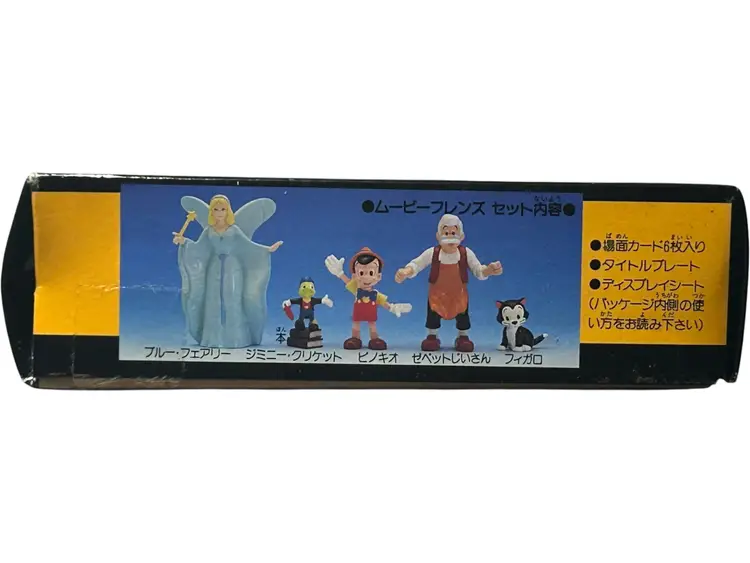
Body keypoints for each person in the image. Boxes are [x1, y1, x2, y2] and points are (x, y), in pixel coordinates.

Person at [173, 194, 283, 348]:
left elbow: (248, 245)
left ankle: (236, 338)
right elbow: (199, 248)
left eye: (222, 209)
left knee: (232, 299)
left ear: (228, 211)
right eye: (216, 209)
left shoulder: (234, 230)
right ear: (211, 212)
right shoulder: (209, 230)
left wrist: (267, 249)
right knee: (213, 300)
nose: (219, 213)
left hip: (233, 267)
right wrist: (184, 242)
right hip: (214, 268)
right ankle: (213, 338)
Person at [395, 214, 502, 352]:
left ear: (461, 236)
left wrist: (489, 270)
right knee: (433, 315)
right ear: (438, 236)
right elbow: (417, 264)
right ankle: (432, 336)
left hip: (459, 294)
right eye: (446, 233)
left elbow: (478, 270)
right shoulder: (432, 253)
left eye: (453, 233)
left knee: (462, 315)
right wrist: (406, 271)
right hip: (436, 294)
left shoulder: (465, 253)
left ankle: (463, 337)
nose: (450, 237)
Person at [325, 247, 411, 350]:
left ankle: (374, 339)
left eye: (371, 273)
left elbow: (384, 303)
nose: (366, 277)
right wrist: (340, 273)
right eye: (361, 273)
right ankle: (355, 339)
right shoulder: (356, 289)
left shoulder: (376, 294)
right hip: (358, 312)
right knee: (356, 325)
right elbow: (347, 281)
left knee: (372, 325)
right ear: (354, 276)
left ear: (378, 276)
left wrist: (392, 308)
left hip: (371, 312)